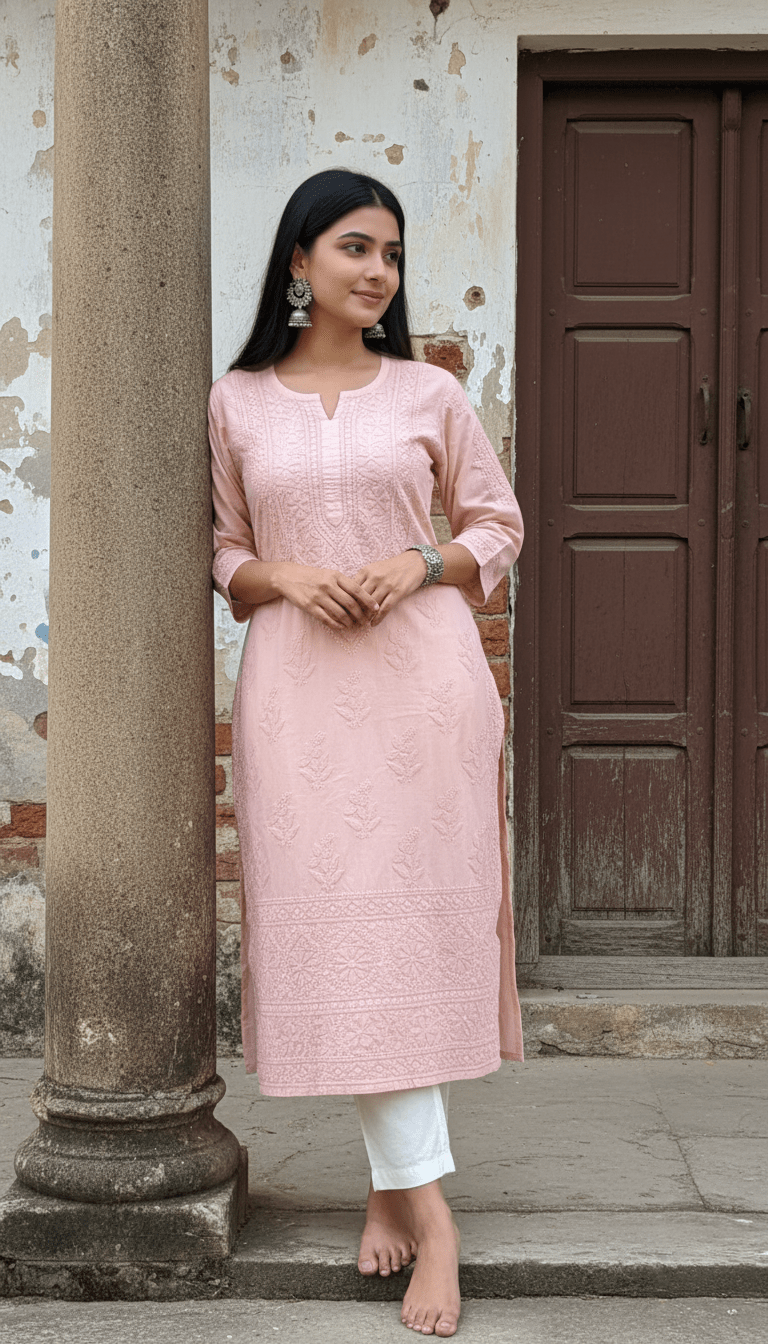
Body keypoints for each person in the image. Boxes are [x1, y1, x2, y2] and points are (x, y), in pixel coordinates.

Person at [208, 168, 524, 1338]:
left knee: (405, 927)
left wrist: (418, 563)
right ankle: (406, 1190)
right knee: (335, 928)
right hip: (297, 694)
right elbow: (223, 547)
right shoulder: (236, 401)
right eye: (353, 247)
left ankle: (420, 1204)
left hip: (422, 691)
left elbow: (499, 522)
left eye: (389, 252)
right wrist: (282, 575)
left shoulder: (427, 395)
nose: (376, 270)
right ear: (299, 263)